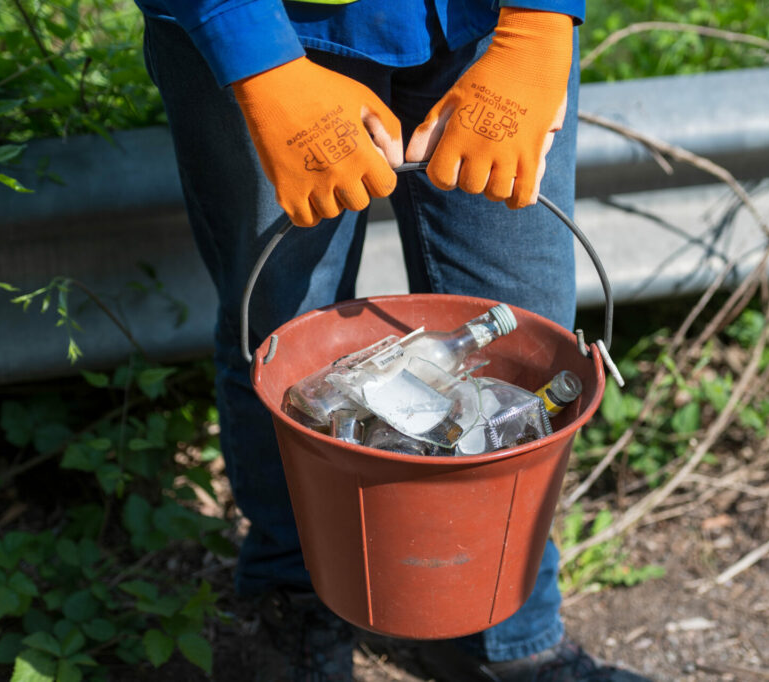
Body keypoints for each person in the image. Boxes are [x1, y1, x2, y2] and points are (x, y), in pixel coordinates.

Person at [134, 0, 651, 679]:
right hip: (273, 28)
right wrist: (259, 64)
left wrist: (539, 29)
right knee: (287, 341)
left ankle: (501, 635)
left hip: (487, 23)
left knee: (528, 338)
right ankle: (297, 605)